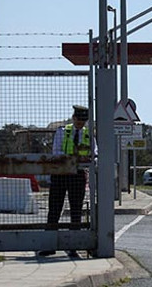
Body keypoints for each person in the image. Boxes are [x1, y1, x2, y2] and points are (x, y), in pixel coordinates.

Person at [39, 105, 94, 258]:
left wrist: (88, 158)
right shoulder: (63, 131)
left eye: (83, 121)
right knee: (54, 209)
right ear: (73, 118)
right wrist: (72, 158)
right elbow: (56, 151)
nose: (80, 124)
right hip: (60, 173)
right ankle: (50, 245)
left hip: (78, 174)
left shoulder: (88, 133)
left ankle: (73, 246)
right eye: (78, 121)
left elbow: (94, 152)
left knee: (76, 210)